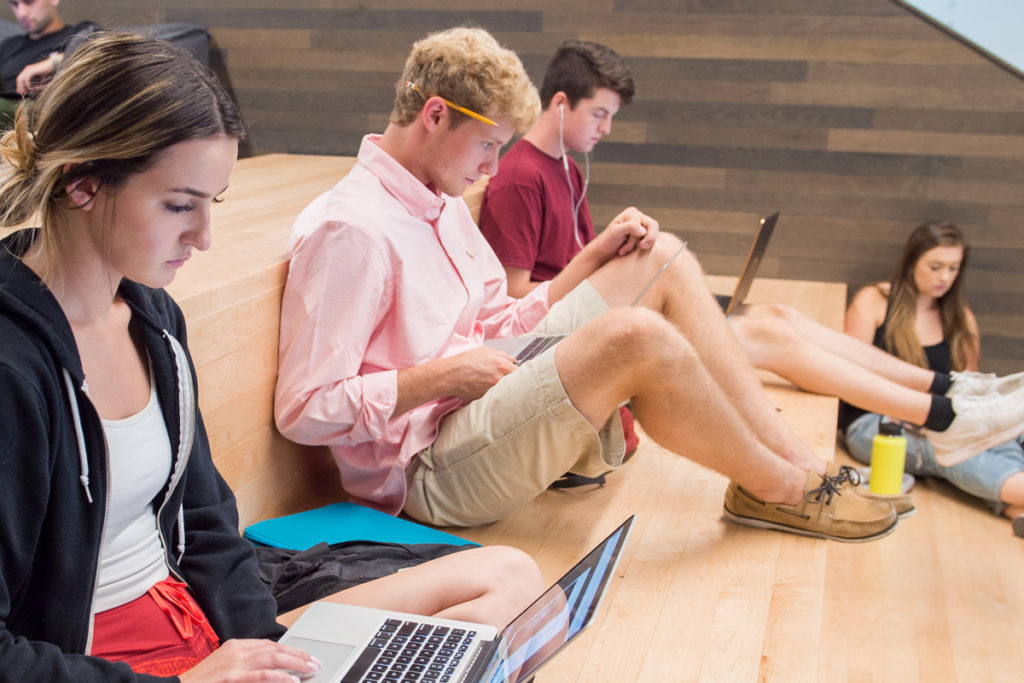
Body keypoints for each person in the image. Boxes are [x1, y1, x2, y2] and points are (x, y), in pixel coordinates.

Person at [0, 31, 545, 681]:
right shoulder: (14, 370)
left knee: (515, 579)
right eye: (180, 205)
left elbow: (204, 520)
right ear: (81, 184)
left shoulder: (152, 319)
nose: (203, 238)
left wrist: (267, 648)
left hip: (204, 627)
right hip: (128, 666)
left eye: (212, 205)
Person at [275, 25, 905, 544]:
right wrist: (440, 378)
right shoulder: (352, 230)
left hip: (479, 401)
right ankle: (781, 492)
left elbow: (501, 319)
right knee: (635, 336)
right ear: (435, 116)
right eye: (488, 146)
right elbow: (303, 411)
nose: (493, 167)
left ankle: (803, 466)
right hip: (431, 470)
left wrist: (594, 259)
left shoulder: (437, 199)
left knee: (664, 255)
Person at [477, 39, 1024, 473]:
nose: (607, 129)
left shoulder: (567, 169)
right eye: (599, 115)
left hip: (604, 307)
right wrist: (603, 258)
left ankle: (945, 388)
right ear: (559, 103)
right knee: (771, 336)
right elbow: (517, 299)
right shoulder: (520, 177)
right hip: (568, 337)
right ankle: (942, 417)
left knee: (779, 317)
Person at [842, 221, 1024, 538]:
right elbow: (848, 376)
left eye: (953, 268)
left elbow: (969, 389)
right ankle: (1015, 497)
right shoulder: (873, 301)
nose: (944, 277)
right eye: (936, 266)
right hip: (877, 423)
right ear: (912, 262)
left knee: (998, 436)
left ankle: (1016, 507)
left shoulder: (959, 316)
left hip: (940, 417)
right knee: (946, 450)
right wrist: (912, 414)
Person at [1, 0, 95, 93]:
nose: (22, 13)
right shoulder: (8, 46)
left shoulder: (80, 34)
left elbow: (100, 52)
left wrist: (56, 62)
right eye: (15, 4)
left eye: (29, 2)